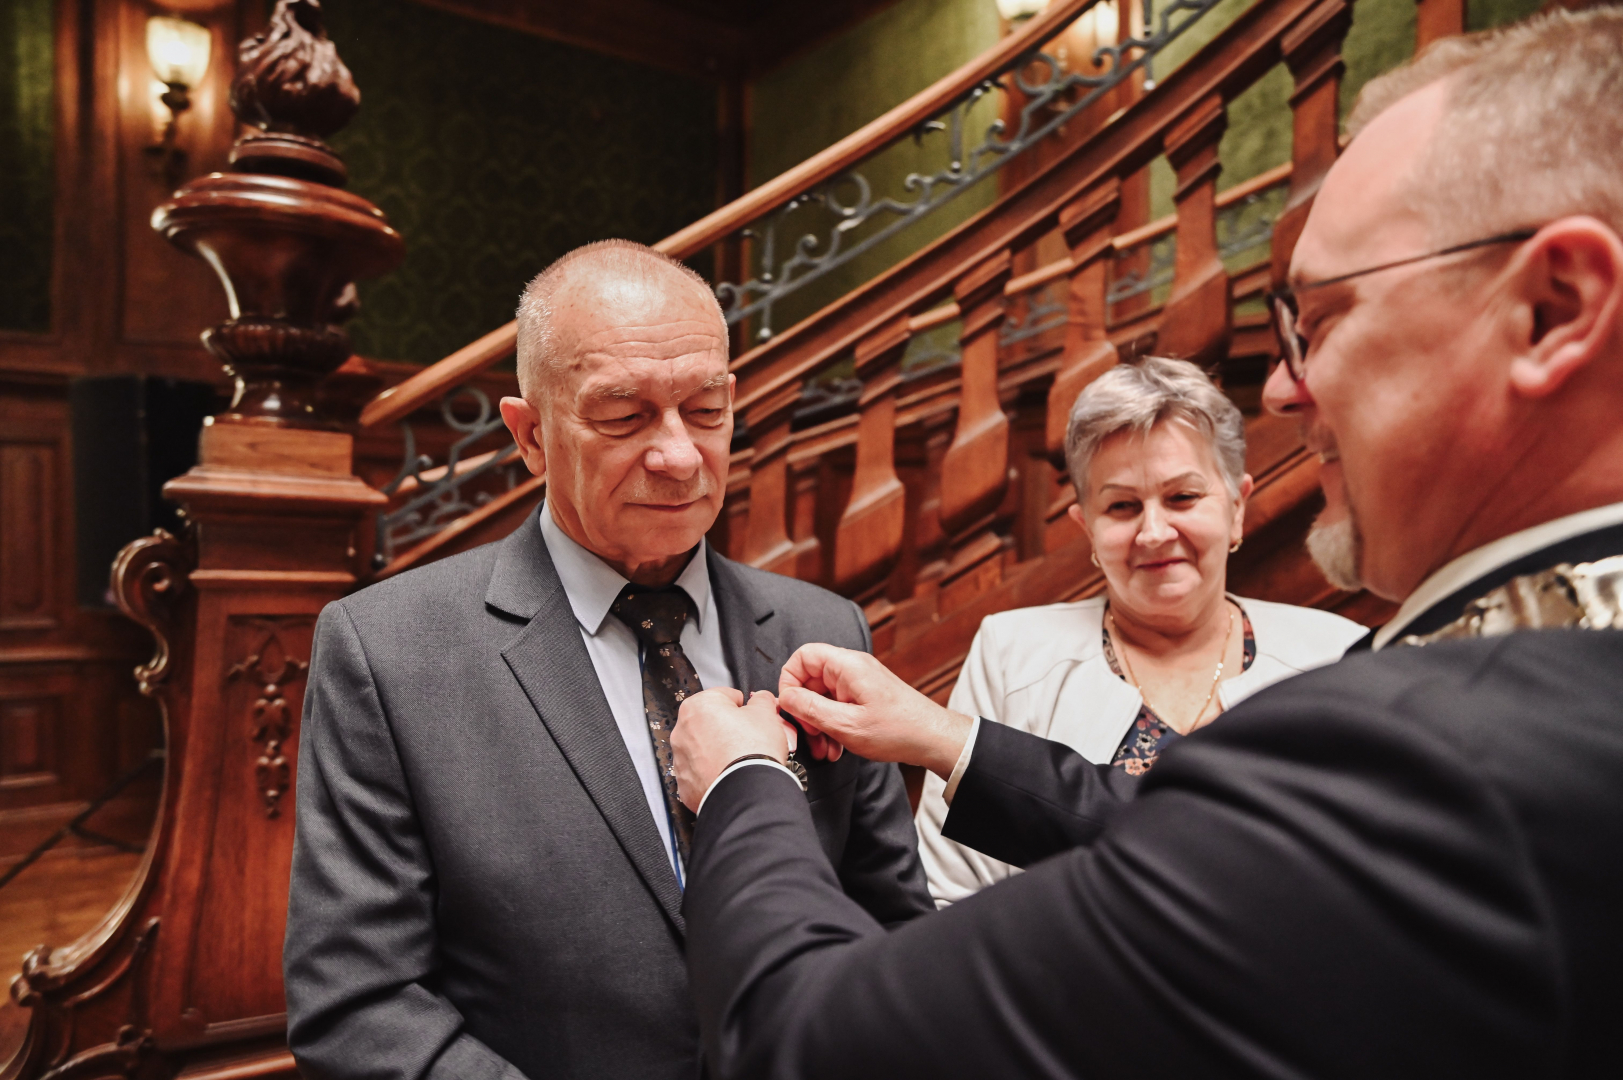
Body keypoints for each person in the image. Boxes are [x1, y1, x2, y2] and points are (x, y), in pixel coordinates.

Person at [668, 10, 1623, 1079]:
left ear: (1553, 308)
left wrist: (746, 781)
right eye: (1120, 506)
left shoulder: (1423, 742)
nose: (1282, 386)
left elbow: (812, 1046)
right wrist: (944, 736)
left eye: (1319, 320)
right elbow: (1182, 837)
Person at [283, 240, 932, 1080]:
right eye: (624, 416)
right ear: (530, 435)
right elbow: (358, 1004)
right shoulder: (390, 650)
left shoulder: (820, 628)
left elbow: (890, 924)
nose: (679, 456)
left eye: (706, 410)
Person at [918, 356, 1363, 906]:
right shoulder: (1011, 653)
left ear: (1237, 507)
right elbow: (946, 894)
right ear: (1087, 527)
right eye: (1123, 506)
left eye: (1182, 497)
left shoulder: (1337, 655)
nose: (1153, 532)